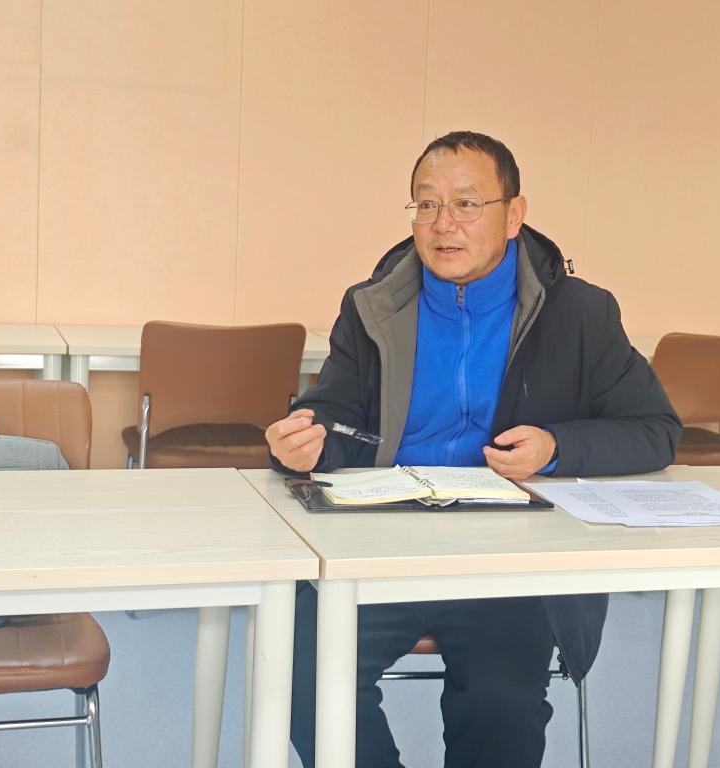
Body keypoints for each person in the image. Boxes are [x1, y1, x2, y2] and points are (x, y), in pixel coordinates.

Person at [266, 131, 681, 768]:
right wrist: (302, 443)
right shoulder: (374, 306)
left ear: (514, 215)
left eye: (466, 204)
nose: (443, 224)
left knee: (501, 706)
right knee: (300, 674)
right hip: (381, 542)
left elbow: (654, 429)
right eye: (427, 204)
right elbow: (333, 415)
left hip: (508, 555)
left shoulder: (580, 313)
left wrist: (556, 447)